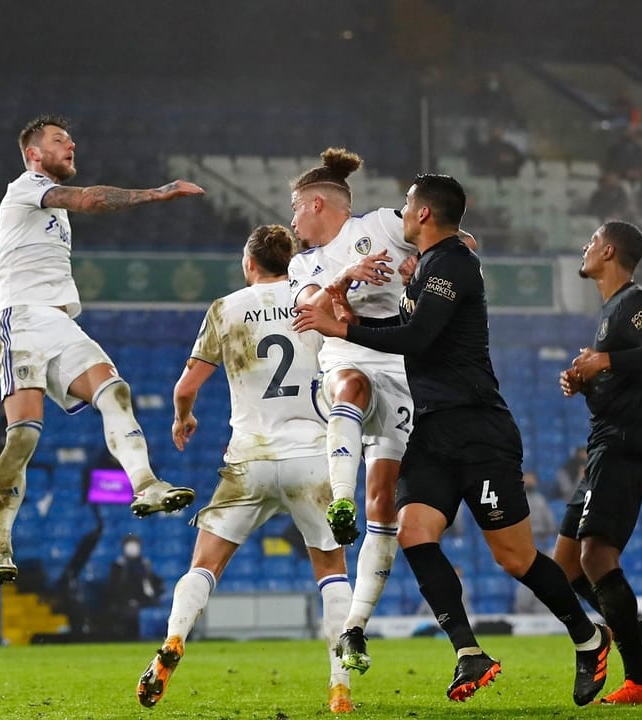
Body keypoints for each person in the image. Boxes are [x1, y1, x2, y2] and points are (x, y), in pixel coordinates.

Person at [294, 174, 610, 706]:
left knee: (515, 559)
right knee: (413, 533)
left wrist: (342, 329)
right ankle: (468, 652)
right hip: (431, 429)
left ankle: (589, 636)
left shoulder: (453, 266)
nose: (400, 210)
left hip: (476, 429)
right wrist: (349, 312)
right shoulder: (423, 272)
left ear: (421, 215)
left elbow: (417, 338)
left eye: (407, 204)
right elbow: (404, 324)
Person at [137, 225, 355, 713]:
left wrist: (182, 417)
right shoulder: (313, 299)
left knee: (204, 564)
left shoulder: (226, 308)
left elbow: (185, 386)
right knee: (332, 574)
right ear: (289, 261)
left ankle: (173, 640)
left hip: (249, 459)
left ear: (249, 262)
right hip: (311, 455)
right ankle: (340, 687)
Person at [0, 115, 204, 585]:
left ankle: (145, 485)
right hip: (21, 317)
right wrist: (158, 193)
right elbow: (89, 199)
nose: (71, 145)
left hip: (59, 322)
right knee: (23, 436)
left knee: (115, 390)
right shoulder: (24, 187)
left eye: (71, 139)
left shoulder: (50, 210)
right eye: (59, 141)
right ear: (33, 154)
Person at [285, 147, 417, 675]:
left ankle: (355, 629)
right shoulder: (304, 263)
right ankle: (341, 504)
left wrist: (421, 264)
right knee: (349, 387)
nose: (292, 220)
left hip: (403, 366)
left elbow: (458, 243)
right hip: (347, 355)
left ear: (316, 203)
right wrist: (348, 277)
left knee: (385, 504)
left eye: (295, 209)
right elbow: (313, 309)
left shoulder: (385, 224)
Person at [554, 220, 642, 705]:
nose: (585, 248)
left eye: (590, 241)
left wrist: (603, 363)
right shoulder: (611, 313)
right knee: (566, 567)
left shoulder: (635, 301)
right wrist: (586, 380)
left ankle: (641, 682)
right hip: (607, 439)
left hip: (628, 441)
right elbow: (630, 374)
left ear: (608, 251)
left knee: (594, 556)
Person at [105, 533, 164, 639]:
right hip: (124, 603)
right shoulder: (118, 566)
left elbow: (157, 584)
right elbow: (113, 588)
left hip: (145, 602)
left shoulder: (145, 565)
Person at [522, 472, 557, 547]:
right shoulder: (518, 500)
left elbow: (550, 523)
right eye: (527, 479)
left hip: (541, 537)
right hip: (524, 537)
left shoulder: (540, 499)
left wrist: (547, 536)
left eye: (531, 479)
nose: (529, 481)